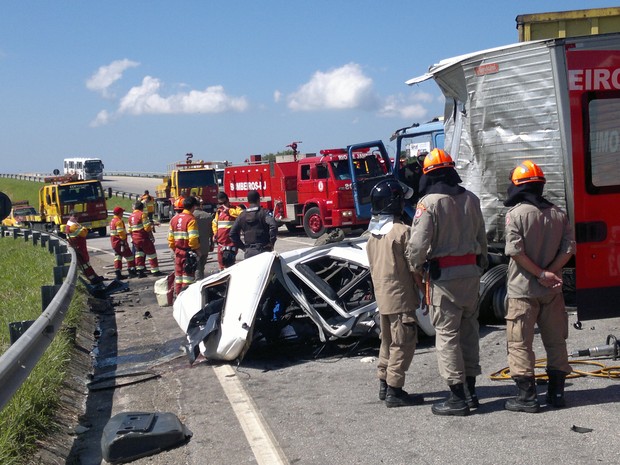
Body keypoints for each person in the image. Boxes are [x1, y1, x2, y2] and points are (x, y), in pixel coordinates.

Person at [406, 148, 488, 417]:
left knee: (448, 337)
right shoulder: (472, 199)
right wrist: (478, 267)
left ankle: (457, 398)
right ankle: (472, 392)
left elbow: (418, 246)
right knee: (469, 332)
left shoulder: (428, 203)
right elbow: (482, 241)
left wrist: (415, 267)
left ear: (428, 175)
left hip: (444, 280)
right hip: (472, 276)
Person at [503, 160, 575, 413]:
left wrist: (540, 273)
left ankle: (527, 398)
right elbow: (569, 248)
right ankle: (556, 394)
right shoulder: (558, 213)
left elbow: (515, 252)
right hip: (552, 291)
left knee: (519, 343)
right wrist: (551, 272)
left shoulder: (515, 215)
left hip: (523, 291)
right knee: (556, 342)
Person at [366, 179, 424, 408]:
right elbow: (415, 268)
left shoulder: (373, 235)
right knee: (403, 343)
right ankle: (395, 390)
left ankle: (384, 382)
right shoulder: (403, 232)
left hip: (383, 298)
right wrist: (424, 293)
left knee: (387, 342)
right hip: (401, 299)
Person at [230, 190, 278, 260]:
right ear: (258, 200)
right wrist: (271, 242)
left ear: (248, 201)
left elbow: (232, 234)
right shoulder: (264, 213)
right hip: (264, 250)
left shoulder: (242, 215)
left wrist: (243, 248)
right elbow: (273, 225)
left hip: (249, 252)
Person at [168, 196, 200, 297]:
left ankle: (178, 297)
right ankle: (186, 298)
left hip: (178, 252)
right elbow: (193, 239)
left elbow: (170, 239)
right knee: (188, 277)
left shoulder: (174, 219)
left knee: (178, 277)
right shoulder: (191, 219)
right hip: (188, 253)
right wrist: (197, 250)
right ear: (193, 207)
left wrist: (175, 249)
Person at [65, 212, 104, 284]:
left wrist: (82, 228)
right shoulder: (72, 226)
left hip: (80, 247)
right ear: (70, 216)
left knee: (86, 264)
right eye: (74, 216)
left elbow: (84, 231)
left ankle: (94, 277)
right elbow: (84, 233)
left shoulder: (73, 224)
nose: (76, 218)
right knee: (84, 264)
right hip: (79, 248)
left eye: (77, 216)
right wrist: (83, 228)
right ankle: (92, 279)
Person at [128, 201, 163, 278]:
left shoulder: (130, 217)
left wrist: (133, 238)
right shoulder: (142, 215)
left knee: (139, 254)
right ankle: (155, 271)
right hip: (143, 237)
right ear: (142, 208)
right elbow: (147, 227)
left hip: (135, 239)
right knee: (152, 253)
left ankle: (140, 271)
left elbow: (130, 230)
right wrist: (151, 236)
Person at [212, 192, 243, 270]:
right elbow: (215, 223)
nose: (223, 205)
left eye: (224, 202)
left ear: (228, 200)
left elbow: (242, 215)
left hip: (232, 243)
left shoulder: (235, 209)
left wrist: (229, 211)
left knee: (230, 263)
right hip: (221, 243)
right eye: (220, 203)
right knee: (221, 264)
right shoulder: (219, 212)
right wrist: (215, 233)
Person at [109, 206, 137, 279]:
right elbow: (121, 232)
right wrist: (124, 242)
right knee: (129, 256)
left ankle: (118, 272)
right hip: (120, 242)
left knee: (118, 256)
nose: (122, 214)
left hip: (114, 242)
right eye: (122, 212)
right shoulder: (118, 221)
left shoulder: (112, 221)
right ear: (119, 213)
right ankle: (131, 270)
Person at [192, 197, 214, 280]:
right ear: (200, 205)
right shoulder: (208, 216)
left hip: (193, 246)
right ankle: (200, 280)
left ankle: (197, 281)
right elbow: (212, 233)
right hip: (204, 246)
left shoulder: (190, 216)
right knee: (201, 266)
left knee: (195, 266)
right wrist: (211, 243)